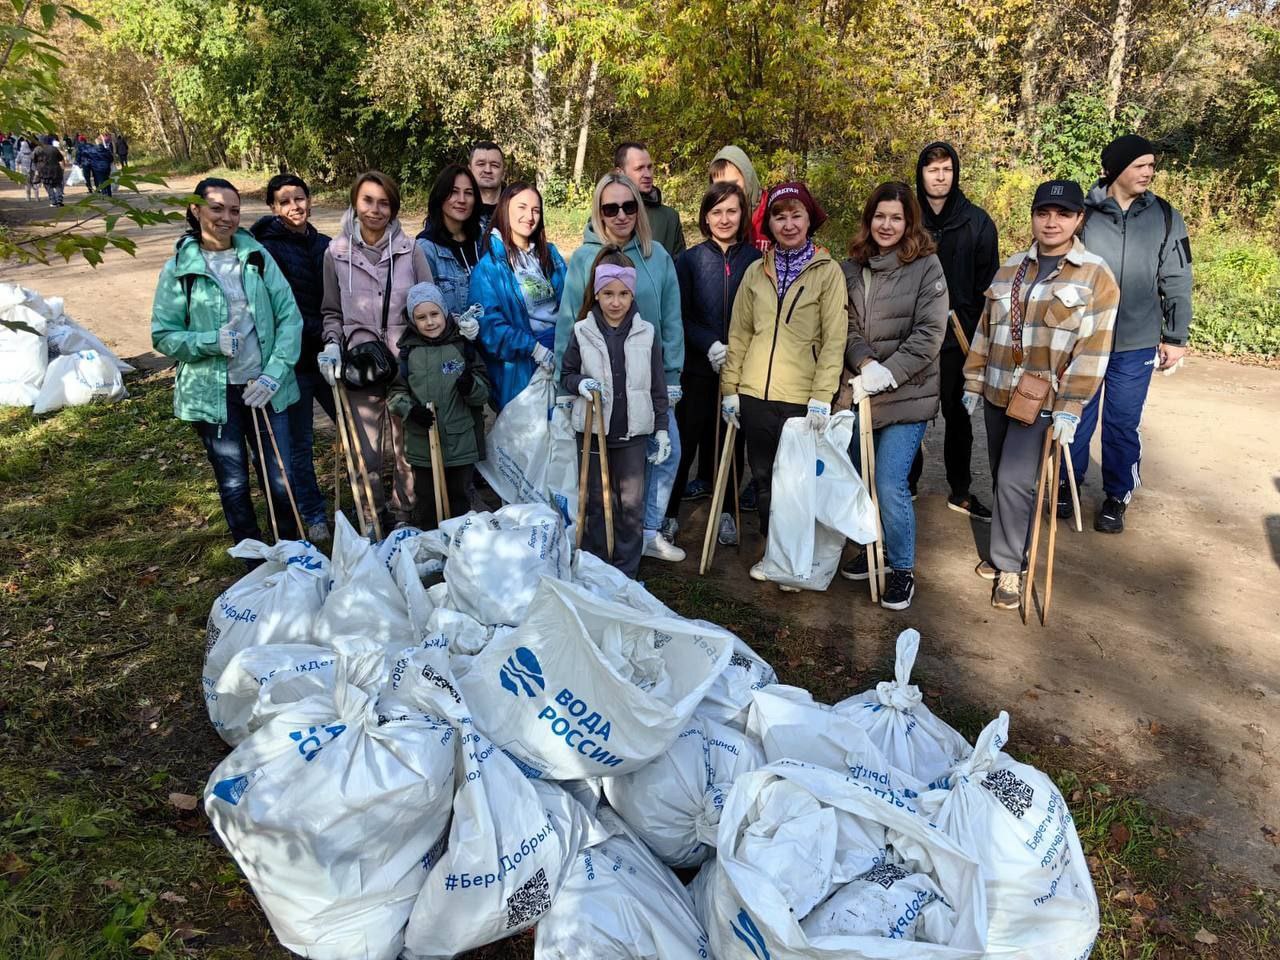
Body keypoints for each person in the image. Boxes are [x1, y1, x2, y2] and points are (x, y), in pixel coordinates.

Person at [963, 180, 1119, 608]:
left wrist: (1071, 407)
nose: (1051, 222)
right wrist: (973, 380)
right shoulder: (1011, 268)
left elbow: (1093, 348)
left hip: (1046, 399)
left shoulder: (1096, 276)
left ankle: (1010, 567)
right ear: (1032, 216)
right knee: (1000, 476)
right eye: (1043, 213)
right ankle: (1010, 545)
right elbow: (985, 329)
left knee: (1016, 480)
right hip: (999, 390)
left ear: (1078, 219)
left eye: (1063, 214)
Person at [150, 177, 304, 548]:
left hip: (265, 387)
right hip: (214, 395)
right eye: (217, 208)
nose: (227, 217)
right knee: (233, 483)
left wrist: (273, 375)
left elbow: (290, 318)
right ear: (195, 209)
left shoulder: (256, 256)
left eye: (234, 210)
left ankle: (293, 555)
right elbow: (163, 334)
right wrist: (208, 342)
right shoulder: (179, 269)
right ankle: (253, 561)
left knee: (280, 479)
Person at [720, 181, 847, 589]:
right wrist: (730, 390)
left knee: (796, 484)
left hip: (800, 398)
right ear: (769, 222)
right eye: (780, 216)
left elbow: (834, 340)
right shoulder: (757, 271)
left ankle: (797, 559)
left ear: (809, 219)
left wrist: (821, 397)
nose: (788, 223)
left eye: (796, 215)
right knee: (763, 480)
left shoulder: (828, 272)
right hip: (756, 394)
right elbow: (739, 334)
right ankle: (775, 554)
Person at [555, 172, 685, 561]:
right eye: (611, 208)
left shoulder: (657, 256)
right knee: (600, 473)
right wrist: (566, 390)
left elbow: (671, 319)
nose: (621, 215)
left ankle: (644, 530)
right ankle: (600, 545)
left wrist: (673, 377)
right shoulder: (583, 258)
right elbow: (568, 322)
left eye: (629, 206)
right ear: (599, 212)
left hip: (648, 381)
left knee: (665, 454)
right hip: (598, 387)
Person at [1070, 134, 1193, 533]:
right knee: (1074, 416)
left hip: (1136, 341)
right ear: (1116, 169)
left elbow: (1176, 277)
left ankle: (1116, 496)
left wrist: (1174, 337)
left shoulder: (1166, 216)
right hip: (1083, 339)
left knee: (1122, 422)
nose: (1149, 172)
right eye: (1141, 165)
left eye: (1152, 166)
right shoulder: (1081, 213)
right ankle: (1064, 486)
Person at [839, 182, 948, 610]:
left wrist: (888, 374)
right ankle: (872, 551)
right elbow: (845, 326)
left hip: (909, 393)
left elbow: (929, 334)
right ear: (869, 220)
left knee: (889, 481)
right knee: (858, 478)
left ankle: (901, 568)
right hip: (862, 391)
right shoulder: (852, 267)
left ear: (909, 223)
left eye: (896, 218)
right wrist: (866, 365)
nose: (887, 225)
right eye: (880, 217)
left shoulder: (927, 268)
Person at [318, 170, 433, 529]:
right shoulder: (336, 252)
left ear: (394, 208)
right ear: (355, 201)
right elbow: (331, 311)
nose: (375, 210)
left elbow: (428, 300)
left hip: (405, 361)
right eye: (368, 200)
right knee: (364, 451)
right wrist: (333, 344)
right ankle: (372, 516)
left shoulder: (410, 249)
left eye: (384, 203)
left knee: (407, 448)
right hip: (360, 363)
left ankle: (403, 514)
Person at [560, 248, 671, 578]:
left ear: (632, 294)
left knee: (630, 506)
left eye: (623, 294)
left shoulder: (646, 333)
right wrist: (580, 383)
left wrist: (662, 426)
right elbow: (566, 373)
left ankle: (626, 571)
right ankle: (596, 569)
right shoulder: (582, 331)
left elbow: (657, 384)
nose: (615, 302)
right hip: (594, 434)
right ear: (596, 293)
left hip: (632, 435)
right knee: (595, 500)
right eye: (607, 293)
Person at [910, 141, 999, 519]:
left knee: (958, 416)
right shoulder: (907, 218)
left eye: (946, 169)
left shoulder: (977, 222)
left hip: (958, 339)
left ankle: (960, 489)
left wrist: (977, 338)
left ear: (955, 172)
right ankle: (905, 482)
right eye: (933, 170)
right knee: (908, 413)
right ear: (922, 174)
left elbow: (988, 287)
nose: (940, 176)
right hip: (912, 338)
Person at [669, 181, 760, 546]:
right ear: (706, 217)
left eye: (732, 211)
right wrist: (708, 343)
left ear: (742, 215)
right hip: (697, 368)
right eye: (717, 212)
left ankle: (725, 510)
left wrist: (737, 348)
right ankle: (669, 513)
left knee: (731, 444)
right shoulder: (690, 261)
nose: (724, 219)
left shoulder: (755, 262)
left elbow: (760, 316)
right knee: (686, 441)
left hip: (738, 371)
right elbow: (681, 314)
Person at [251, 173, 334, 543]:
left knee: (354, 431)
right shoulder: (262, 250)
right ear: (272, 207)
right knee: (301, 444)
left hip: (330, 358)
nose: (294, 206)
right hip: (293, 364)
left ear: (309, 200)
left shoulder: (328, 245)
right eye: (284, 201)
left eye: (299, 198)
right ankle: (313, 514)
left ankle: (368, 505)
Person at [388, 283, 491, 530]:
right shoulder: (407, 353)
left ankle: (461, 545)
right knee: (426, 499)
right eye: (421, 317)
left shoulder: (462, 346)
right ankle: (431, 545)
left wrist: (471, 387)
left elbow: (484, 391)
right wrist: (410, 410)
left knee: (460, 495)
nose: (430, 322)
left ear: (444, 312)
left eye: (434, 314)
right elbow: (395, 393)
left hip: (460, 440)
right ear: (412, 320)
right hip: (423, 441)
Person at [469, 181, 567, 410]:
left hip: (562, 358)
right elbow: (489, 326)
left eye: (535, 210)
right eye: (521, 207)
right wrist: (533, 348)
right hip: (522, 369)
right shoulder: (489, 267)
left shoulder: (550, 255)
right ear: (505, 209)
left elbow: (572, 301)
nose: (529, 216)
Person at [416, 164, 485, 317]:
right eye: (453, 192)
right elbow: (425, 311)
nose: (462, 200)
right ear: (440, 196)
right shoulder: (425, 249)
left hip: (492, 335)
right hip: (453, 338)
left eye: (468, 193)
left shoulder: (482, 239)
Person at [614, 141, 685, 256]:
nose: (647, 174)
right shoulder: (607, 216)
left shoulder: (670, 218)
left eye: (649, 167)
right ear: (620, 173)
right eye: (639, 168)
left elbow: (679, 268)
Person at [710, 144, 769, 252]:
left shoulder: (772, 212)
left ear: (748, 181)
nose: (726, 194)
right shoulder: (715, 216)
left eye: (732, 185)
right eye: (719, 187)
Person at [468, 141, 505, 233]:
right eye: (481, 164)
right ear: (469, 170)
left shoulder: (515, 207)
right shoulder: (458, 206)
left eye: (494, 165)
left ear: (504, 173)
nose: (487, 170)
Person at [31, 136, 64, 207]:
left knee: (48, 186)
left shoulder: (37, 149)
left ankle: (53, 201)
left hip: (44, 170)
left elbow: (33, 159)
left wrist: (37, 169)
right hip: (56, 169)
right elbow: (60, 158)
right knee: (58, 185)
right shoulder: (54, 148)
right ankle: (59, 200)